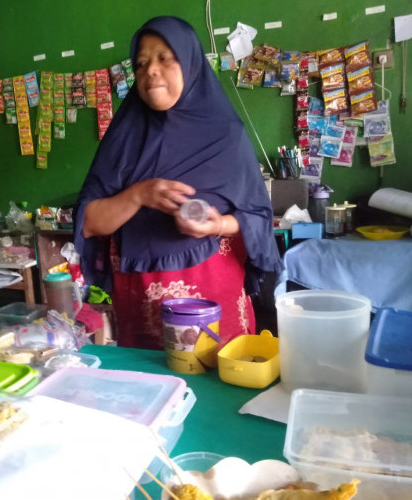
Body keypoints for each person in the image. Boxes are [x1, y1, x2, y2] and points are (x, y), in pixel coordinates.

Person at [74, 16, 282, 350]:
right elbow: (88, 224)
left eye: (164, 59)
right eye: (141, 63)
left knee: (220, 390)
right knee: (151, 393)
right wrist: (139, 195)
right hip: (140, 298)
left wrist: (218, 224)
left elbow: (258, 216)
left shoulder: (226, 136)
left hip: (215, 296)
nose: (150, 71)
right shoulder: (124, 139)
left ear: (190, 63)